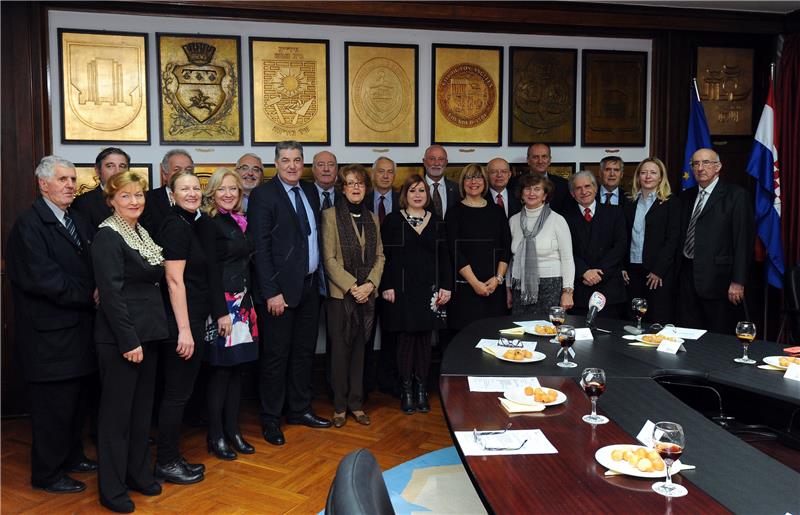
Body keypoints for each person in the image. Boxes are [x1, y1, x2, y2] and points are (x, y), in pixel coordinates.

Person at [7, 156, 97, 494]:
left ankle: (73, 457)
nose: (71, 185)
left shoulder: (75, 219)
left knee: (74, 404)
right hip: (50, 339)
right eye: (62, 179)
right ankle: (47, 474)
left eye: (73, 179)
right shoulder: (28, 225)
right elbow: (45, 281)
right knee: (53, 410)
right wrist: (92, 295)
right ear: (43, 184)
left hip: (77, 333)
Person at [91, 171, 166, 512]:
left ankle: (138, 474)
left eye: (139, 195)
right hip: (124, 340)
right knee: (116, 419)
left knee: (140, 414)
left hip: (148, 335)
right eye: (126, 196)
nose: (135, 201)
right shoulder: (108, 236)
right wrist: (128, 341)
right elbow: (110, 294)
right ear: (111, 201)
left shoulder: (140, 233)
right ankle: (112, 489)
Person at [248, 140, 331, 447]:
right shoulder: (263, 196)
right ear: (276, 163)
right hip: (279, 294)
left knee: (303, 354)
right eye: (286, 160)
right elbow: (260, 248)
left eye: (297, 160)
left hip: (310, 287)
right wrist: (271, 293)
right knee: (275, 357)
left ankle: (299, 409)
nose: (293, 165)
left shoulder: (309, 191)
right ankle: (271, 418)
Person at [153, 171, 219, 484]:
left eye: (196, 187)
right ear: (172, 193)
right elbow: (174, 280)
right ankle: (166, 462)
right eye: (184, 188)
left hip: (193, 317)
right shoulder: (175, 226)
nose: (192, 193)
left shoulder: (192, 222)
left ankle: (173, 457)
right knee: (176, 395)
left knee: (181, 392)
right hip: (182, 321)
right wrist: (184, 330)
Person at [200, 168, 259, 461]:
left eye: (233, 189)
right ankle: (216, 435)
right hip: (223, 307)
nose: (228, 194)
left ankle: (233, 430)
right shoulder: (210, 224)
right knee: (221, 373)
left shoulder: (239, 221)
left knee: (238, 370)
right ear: (212, 192)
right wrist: (221, 313)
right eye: (222, 189)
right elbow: (210, 272)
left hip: (243, 304)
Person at [380, 175, 452, 414]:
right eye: (412, 191)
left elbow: (445, 257)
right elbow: (385, 257)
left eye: (421, 190)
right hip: (401, 290)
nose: (418, 195)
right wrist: (386, 285)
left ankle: (422, 390)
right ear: (405, 195)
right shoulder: (392, 220)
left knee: (424, 341)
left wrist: (446, 286)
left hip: (430, 291)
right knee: (405, 341)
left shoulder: (437, 221)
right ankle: (406, 391)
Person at [322, 164, 385, 427]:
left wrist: (370, 285)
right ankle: (339, 406)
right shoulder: (330, 216)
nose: (356, 188)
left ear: (366, 188)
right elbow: (329, 259)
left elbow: (380, 256)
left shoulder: (373, 218)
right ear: (342, 188)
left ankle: (356, 404)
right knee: (339, 351)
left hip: (366, 296)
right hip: (341, 296)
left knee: (361, 350)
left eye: (360, 183)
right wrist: (353, 287)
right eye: (350, 183)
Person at [677, 148, 754, 334]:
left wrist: (738, 281)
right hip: (686, 276)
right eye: (696, 163)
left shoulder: (736, 195)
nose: (700, 168)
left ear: (718, 166)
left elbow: (743, 240)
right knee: (688, 333)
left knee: (717, 337)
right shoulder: (686, 196)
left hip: (719, 280)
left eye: (706, 163)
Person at [445, 164, 511, 331]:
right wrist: (475, 283)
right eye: (468, 177)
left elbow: (506, 247)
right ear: (463, 182)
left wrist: (498, 279)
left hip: (494, 290)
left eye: (478, 177)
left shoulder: (497, 211)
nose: (473, 181)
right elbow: (454, 250)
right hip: (465, 290)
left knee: (494, 340)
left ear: (485, 181)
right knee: (465, 342)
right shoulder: (454, 213)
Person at [506, 173, 575, 318]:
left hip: (551, 286)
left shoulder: (557, 220)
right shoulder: (513, 221)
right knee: (522, 329)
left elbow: (568, 259)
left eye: (537, 189)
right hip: (520, 287)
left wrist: (567, 292)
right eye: (527, 189)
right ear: (521, 194)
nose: (532, 193)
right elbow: (510, 259)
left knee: (548, 332)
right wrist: (508, 289)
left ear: (545, 195)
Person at [623, 158, 682, 324]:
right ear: (638, 177)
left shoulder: (671, 203)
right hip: (633, 270)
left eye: (653, 172)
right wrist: (623, 266)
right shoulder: (629, 202)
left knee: (657, 318)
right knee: (634, 319)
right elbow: (623, 236)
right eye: (643, 172)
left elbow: (673, 239)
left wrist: (659, 270)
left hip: (657, 272)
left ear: (661, 177)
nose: (648, 176)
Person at [563, 171, 628, 318]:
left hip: (610, 289)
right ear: (573, 193)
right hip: (580, 290)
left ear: (596, 188)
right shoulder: (564, 217)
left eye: (587, 186)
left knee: (611, 338)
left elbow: (620, 246)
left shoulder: (615, 212)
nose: (584, 191)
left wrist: (599, 272)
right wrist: (584, 272)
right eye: (578, 188)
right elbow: (564, 251)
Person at [366, 156, 400, 395]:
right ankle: (364, 384)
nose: (386, 176)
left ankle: (389, 381)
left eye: (390, 172)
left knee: (391, 333)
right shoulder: (361, 198)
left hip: (394, 277)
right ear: (373, 173)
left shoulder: (403, 199)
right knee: (365, 335)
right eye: (381, 171)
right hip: (366, 277)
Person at [71, 147, 130, 228]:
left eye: (122, 166)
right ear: (98, 171)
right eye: (110, 166)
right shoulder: (83, 203)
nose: (117, 172)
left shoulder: (139, 201)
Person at [140, 149, 194, 236]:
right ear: (165, 174)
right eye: (177, 170)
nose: (184, 174)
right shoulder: (147, 199)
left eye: (188, 169)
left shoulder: (202, 200)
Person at [525, 143, 571, 214]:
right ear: (528, 160)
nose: (540, 161)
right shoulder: (515, 184)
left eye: (544, 157)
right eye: (535, 157)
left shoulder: (563, 184)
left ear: (549, 160)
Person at [422, 145, 459, 220]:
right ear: (424, 162)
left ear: (446, 162)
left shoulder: (457, 188)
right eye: (432, 159)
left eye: (441, 159)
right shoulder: (412, 188)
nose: (436, 163)